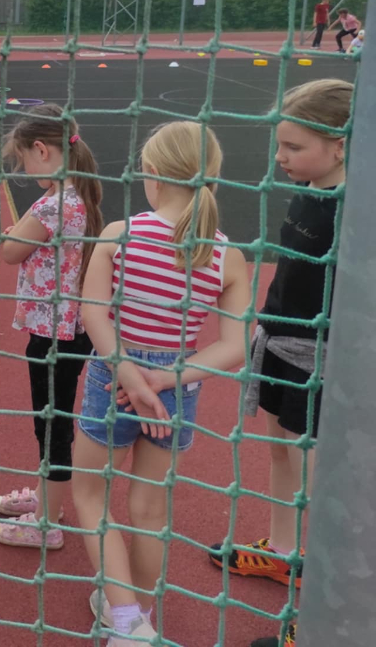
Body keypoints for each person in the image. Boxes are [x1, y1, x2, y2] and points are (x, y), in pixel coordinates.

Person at [71, 121, 251, 647]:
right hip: (176, 388)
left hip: (114, 377)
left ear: (152, 173)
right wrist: (165, 377)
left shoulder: (120, 233)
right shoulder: (226, 254)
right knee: (149, 509)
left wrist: (129, 372)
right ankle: (139, 613)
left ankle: (126, 621)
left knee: (90, 495)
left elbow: (93, 313)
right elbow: (236, 343)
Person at [213, 80, 351, 647]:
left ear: (340, 144)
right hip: (279, 341)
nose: (280, 158)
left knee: (324, 482)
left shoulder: (354, 210)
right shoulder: (309, 186)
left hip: (321, 357)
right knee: (279, 451)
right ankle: (283, 551)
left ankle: (325, 615)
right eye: (280, 144)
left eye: (293, 147)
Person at [0, 105, 103, 550]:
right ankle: (43, 497)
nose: (25, 169)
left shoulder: (55, 204)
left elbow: (11, 251)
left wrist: (11, 235)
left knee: (51, 424)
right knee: (52, 419)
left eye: (24, 160)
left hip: (56, 333)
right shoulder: (75, 195)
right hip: (65, 329)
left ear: (42, 149)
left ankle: (47, 522)